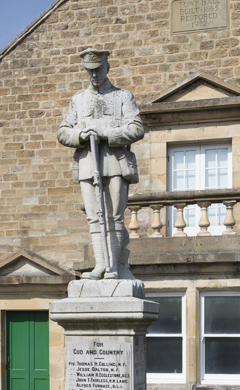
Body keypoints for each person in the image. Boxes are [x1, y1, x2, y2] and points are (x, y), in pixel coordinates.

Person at [58, 48, 144, 280]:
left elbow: (137, 128)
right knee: (95, 217)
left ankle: (114, 267)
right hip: (88, 164)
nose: (94, 76)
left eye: (97, 70)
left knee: (114, 217)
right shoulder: (78, 100)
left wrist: (107, 133)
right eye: (89, 71)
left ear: (107, 68)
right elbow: (63, 132)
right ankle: (100, 265)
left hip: (115, 163)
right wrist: (81, 136)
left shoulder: (122, 97)